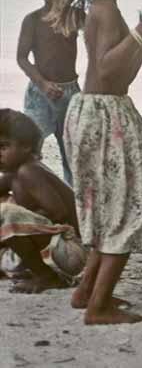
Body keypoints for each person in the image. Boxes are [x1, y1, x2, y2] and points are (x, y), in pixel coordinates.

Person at [47, 0, 142, 324]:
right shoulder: (104, 11)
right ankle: (99, 307)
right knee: (125, 210)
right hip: (105, 115)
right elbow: (105, 69)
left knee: (110, 208)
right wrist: (139, 35)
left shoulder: (103, 7)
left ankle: (86, 292)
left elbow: (123, 76)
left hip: (103, 109)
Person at [0, 109, 86, 294]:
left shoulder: (29, 171)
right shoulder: (12, 174)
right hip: (51, 248)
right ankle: (31, 268)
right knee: (5, 205)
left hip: (71, 251)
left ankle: (46, 276)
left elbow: (59, 213)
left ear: (26, 147)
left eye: (3, 147)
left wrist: (25, 218)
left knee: (5, 212)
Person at [17, 0, 79, 184]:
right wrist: (42, 83)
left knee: (72, 154)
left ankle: (71, 199)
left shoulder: (74, 15)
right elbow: (22, 58)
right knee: (28, 148)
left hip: (71, 94)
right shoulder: (32, 20)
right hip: (41, 95)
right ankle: (32, 190)